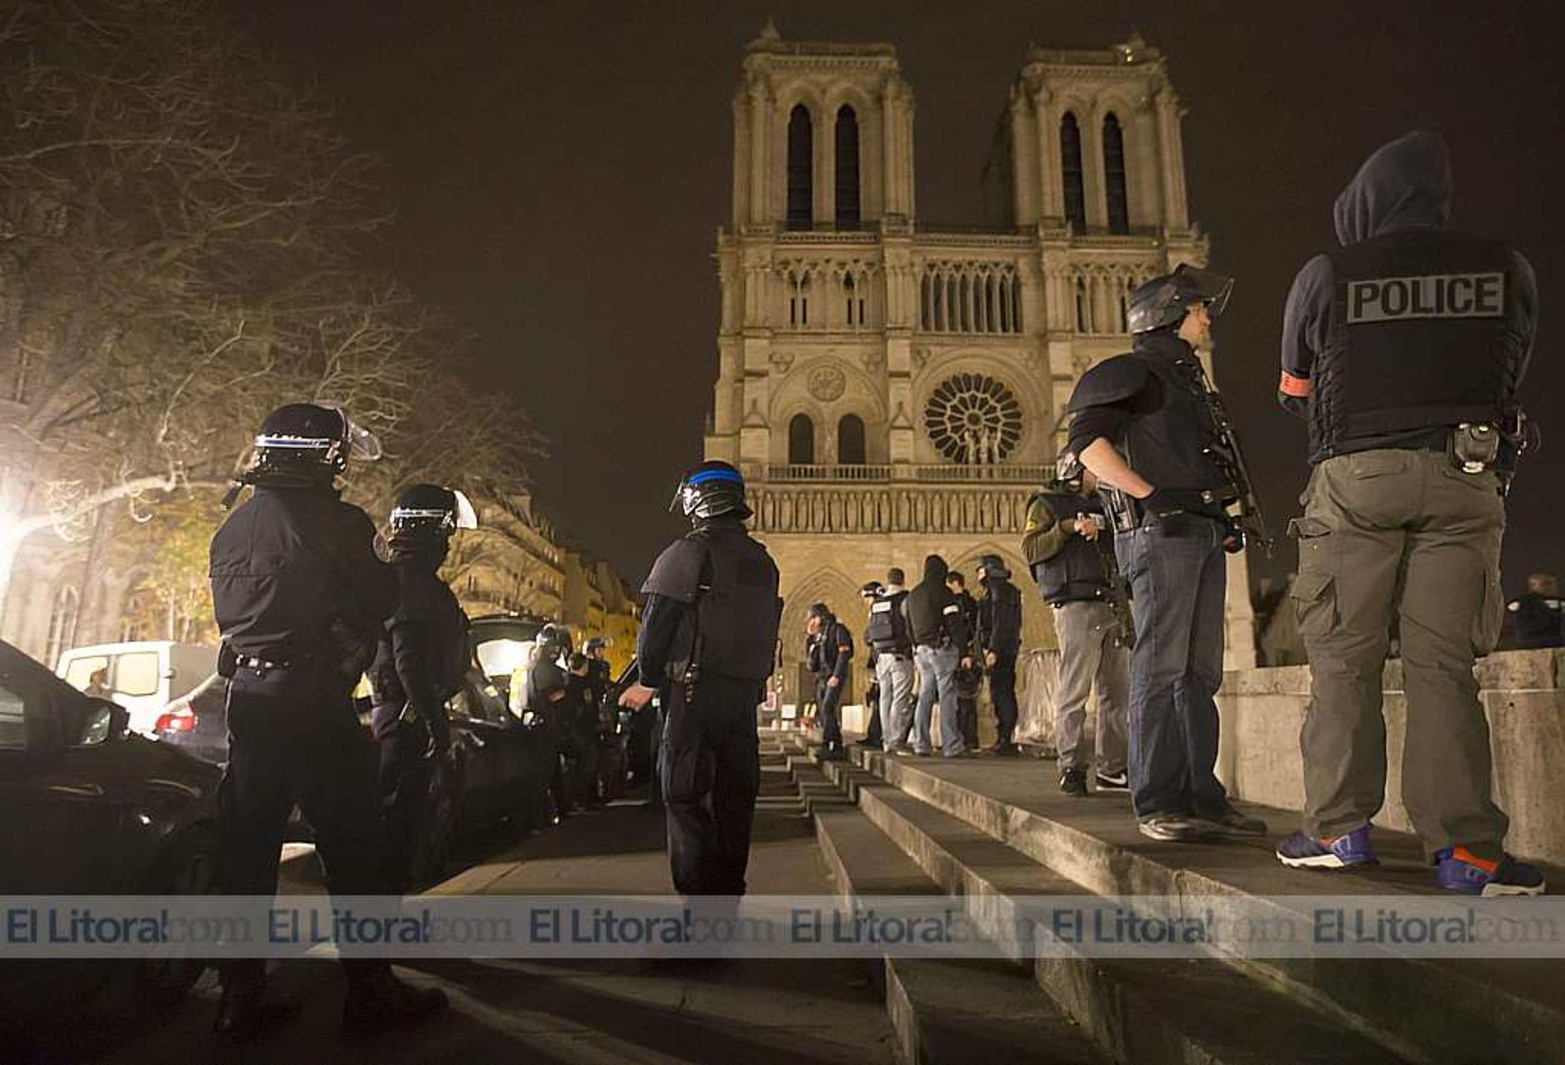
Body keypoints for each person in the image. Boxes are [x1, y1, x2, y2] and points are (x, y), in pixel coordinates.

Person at [1272, 131, 1543, 895]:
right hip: (1465, 475)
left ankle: (1336, 829)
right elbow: (1509, 366)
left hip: (1356, 480)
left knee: (1342, 662)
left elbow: (1293, 389)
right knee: (1444, 668)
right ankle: (1467, 853)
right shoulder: (1506, 266)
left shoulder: (1327, 271)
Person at [208, 402, 446, 1038]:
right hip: (313, 701)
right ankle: (370, 991)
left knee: (248, 851)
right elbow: (381, 597)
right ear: (327, 457)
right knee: (354, 848)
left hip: (249, 702)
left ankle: (238, 997)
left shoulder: (233, 526)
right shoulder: (339, 523)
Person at [1065, 264, 1265, 843]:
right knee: (1159, 666)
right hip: (1160, 535)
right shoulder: (1133, 371)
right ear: (1170, 313)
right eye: (1199, 309)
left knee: (1199, 673)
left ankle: (1201, 794)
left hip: (1200, 533)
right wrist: (1150, 497)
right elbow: (1086, 447)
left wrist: (1221, 519)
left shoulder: (1188, 381)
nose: (1206, 318)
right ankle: (1156, 800)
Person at [618, 460, 781, 896]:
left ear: (696, 502)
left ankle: (697, 910)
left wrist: (647, 680)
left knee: (683, 795)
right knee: (734, 801)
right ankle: (727, 901)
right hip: (743, 701)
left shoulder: (687, 553)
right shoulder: (763, 562)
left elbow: (655, 629)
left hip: (692, 694)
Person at [368, 483, 477, 892]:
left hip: (396, 715)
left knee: (398, 822)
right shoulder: (414, 585)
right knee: (399, 825)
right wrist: (434, 722)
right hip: (404, 720)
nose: (449, 545)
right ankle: (381, 925)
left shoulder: (399, 578)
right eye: (446, 534)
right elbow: (408, 661)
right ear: (432, 532)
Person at [1022, 455, 1130, 795]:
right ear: (1073, 471)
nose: (1100, 472)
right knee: (1075, 691)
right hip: (1076, 605)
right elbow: (1030, 548)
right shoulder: (1045, 504)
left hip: (1112, 601)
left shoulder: (1108, 502)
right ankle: (1070, 766)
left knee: (1117, 693)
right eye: (1093, 467)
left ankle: (1112, 769)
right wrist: (1068, 527)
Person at [906, 554, 975, 758]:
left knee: (925, 694)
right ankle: (951, 745)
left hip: (921, 651)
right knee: (947, 696)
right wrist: (964, 651)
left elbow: (908, 625)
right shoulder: (944, 593)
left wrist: (917, 646)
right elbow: (955, 624)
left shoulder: (913, 594)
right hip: (941, 650)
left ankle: (921, 743)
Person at [975, 554, 1023, 756]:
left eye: (980, 569)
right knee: (1001, 691)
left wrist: (993, 649)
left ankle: (1005, 738)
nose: (977, 574)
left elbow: (1001, 622)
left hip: (1001, 650)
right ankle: (1004, 737)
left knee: (1001, 692)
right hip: (1004, 648)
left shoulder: (999, 591)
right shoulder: (1000, 590)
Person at [868, 567, 918, 755]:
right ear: (903, 580)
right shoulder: (905, 599)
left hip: (881, 656)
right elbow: (911, 625)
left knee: (885, 698)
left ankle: (887, 740)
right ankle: (897, 740)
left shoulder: (878, 602)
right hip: (900, 655)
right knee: (900, 698)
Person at [528, 622, 574, 821]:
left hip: (549, 726)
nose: (557, 651)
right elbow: (555, 697)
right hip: (546, 726)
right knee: (546, 773)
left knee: (552, 771)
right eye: (553, 648)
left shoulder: (544, 667)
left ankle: (560, 809)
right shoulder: (545, 670)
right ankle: (539, 816)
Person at [805, 602, 854, 760]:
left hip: (833, 676)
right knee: (824, 710)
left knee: (827, 707)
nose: (811, 622)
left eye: (813, 618)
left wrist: (837, 675)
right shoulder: (816, 638)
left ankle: (828, 744)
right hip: (821, 678)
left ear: (820, 617)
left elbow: (844, 654)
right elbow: (812, 664)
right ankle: (836, 744)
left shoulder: (838, 629)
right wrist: (810, 641)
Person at [944, 570, 982, 749]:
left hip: (962, 654)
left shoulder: (960, 603)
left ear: (954, 583)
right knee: (966, 699)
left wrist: (964, 653)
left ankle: (966, 738)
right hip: (968, 654)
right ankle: (968, 739)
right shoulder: (973, 603)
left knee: (962, 699)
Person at [858, 581, 885, 748]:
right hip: (878, 659)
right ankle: (874, 733)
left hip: (881, 660)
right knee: (876, 697)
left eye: (866, 597)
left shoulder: (878, 609)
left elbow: (869, 636)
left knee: (880, 698)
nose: (865, 601)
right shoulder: (875, 610)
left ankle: (877, 736)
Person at [1506, 573, 1563, 650]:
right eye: (1546, 584)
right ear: (1533, 586)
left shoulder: (1558, 602)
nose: (1552, 587)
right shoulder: (1526, 602)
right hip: (1535, 641)